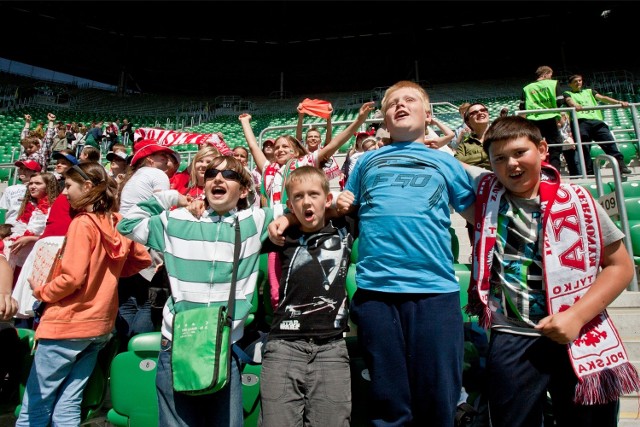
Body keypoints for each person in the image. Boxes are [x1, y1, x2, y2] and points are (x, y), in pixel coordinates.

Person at [462, 115, 640, 427]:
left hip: (581, 332)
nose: (511, 165)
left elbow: (620, 267)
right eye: (499, 159)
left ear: (543, 149)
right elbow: (440, 165)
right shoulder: (485, 200)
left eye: (520, 153)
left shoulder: (580, 201)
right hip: (512, 335)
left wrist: (576, 316)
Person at [335, 81, 476, 426]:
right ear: (384, 116)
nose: (400, 105)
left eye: (409, 100)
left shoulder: (447, 162)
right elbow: (346, 205)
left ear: (427, 114)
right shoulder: (366, 162)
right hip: (376, 294)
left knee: (438, 400)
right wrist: (341, 203)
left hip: (434, 293)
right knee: (388, 401)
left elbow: (479, 217)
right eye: (392, 102)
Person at [117, 155, 286, 427]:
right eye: (211, 174)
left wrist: (283, 222)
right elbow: (126, 224)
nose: (218, 178)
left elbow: (303, 205)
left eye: (229, 175)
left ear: (243, 190)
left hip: (223, 346)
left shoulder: (254, 221)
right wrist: (173, 198)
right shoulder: (175, 220)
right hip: (177, 345)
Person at [15, 162, 151, 427]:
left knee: (35, 407)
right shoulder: (117, 221)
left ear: (88, 186)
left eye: (68, 186)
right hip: (99, 326)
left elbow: (72, 279)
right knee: (69, 405)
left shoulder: (82, 223)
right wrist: (106, 275)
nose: (64, 193)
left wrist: (41, 291)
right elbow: (141, 259)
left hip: (67, 323)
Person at [259, 166, 352, 426]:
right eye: (298, 197)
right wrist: (287, 219)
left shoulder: (343, 227)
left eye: (313, 194)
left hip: (331, 348)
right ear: (289, 204)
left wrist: (341, 206)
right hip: (283, 347)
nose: (306, 201)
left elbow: (356, 208)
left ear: (328, 198)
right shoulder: (280, 234)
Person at [563, 73, 632, 175]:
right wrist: (575, 105)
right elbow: (569, 101)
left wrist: (619, 102)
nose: (578, 83)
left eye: (580, 80)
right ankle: (589, 172)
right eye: (575, 81)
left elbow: (603, 98)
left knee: (609, 143)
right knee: (584, 148)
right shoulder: (567, 93)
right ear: (570, 84)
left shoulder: (589, 91)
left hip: (596, 122)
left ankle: (621, 166)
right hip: (580, 123)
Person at [6, 172, 59, 278]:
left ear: (49, 186)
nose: (32, 187)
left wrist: (30, 238)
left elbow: (57, 238)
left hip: (41, 259)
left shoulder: (54, 208)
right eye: (31, 183)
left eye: (38, 183)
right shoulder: (29, 206)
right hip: (22, 258)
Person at [519, 65, 565, 173]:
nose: (551, 78)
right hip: (550, 118)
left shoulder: (527, 88)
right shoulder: (553, 84)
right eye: (550, 75)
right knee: (555, 146)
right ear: (546, 74)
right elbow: (560, 101)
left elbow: (522, 107)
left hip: (533, 120)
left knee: (534, 146)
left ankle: (535, 171)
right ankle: (554, 172)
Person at [0, 160, 41, 226]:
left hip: (31, 225)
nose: (23, 171)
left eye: (27, 169)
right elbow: (4, 209)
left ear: (35, 172)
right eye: (21, 168)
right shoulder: (9, 189)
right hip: (11, 224)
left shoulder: (39, 188)